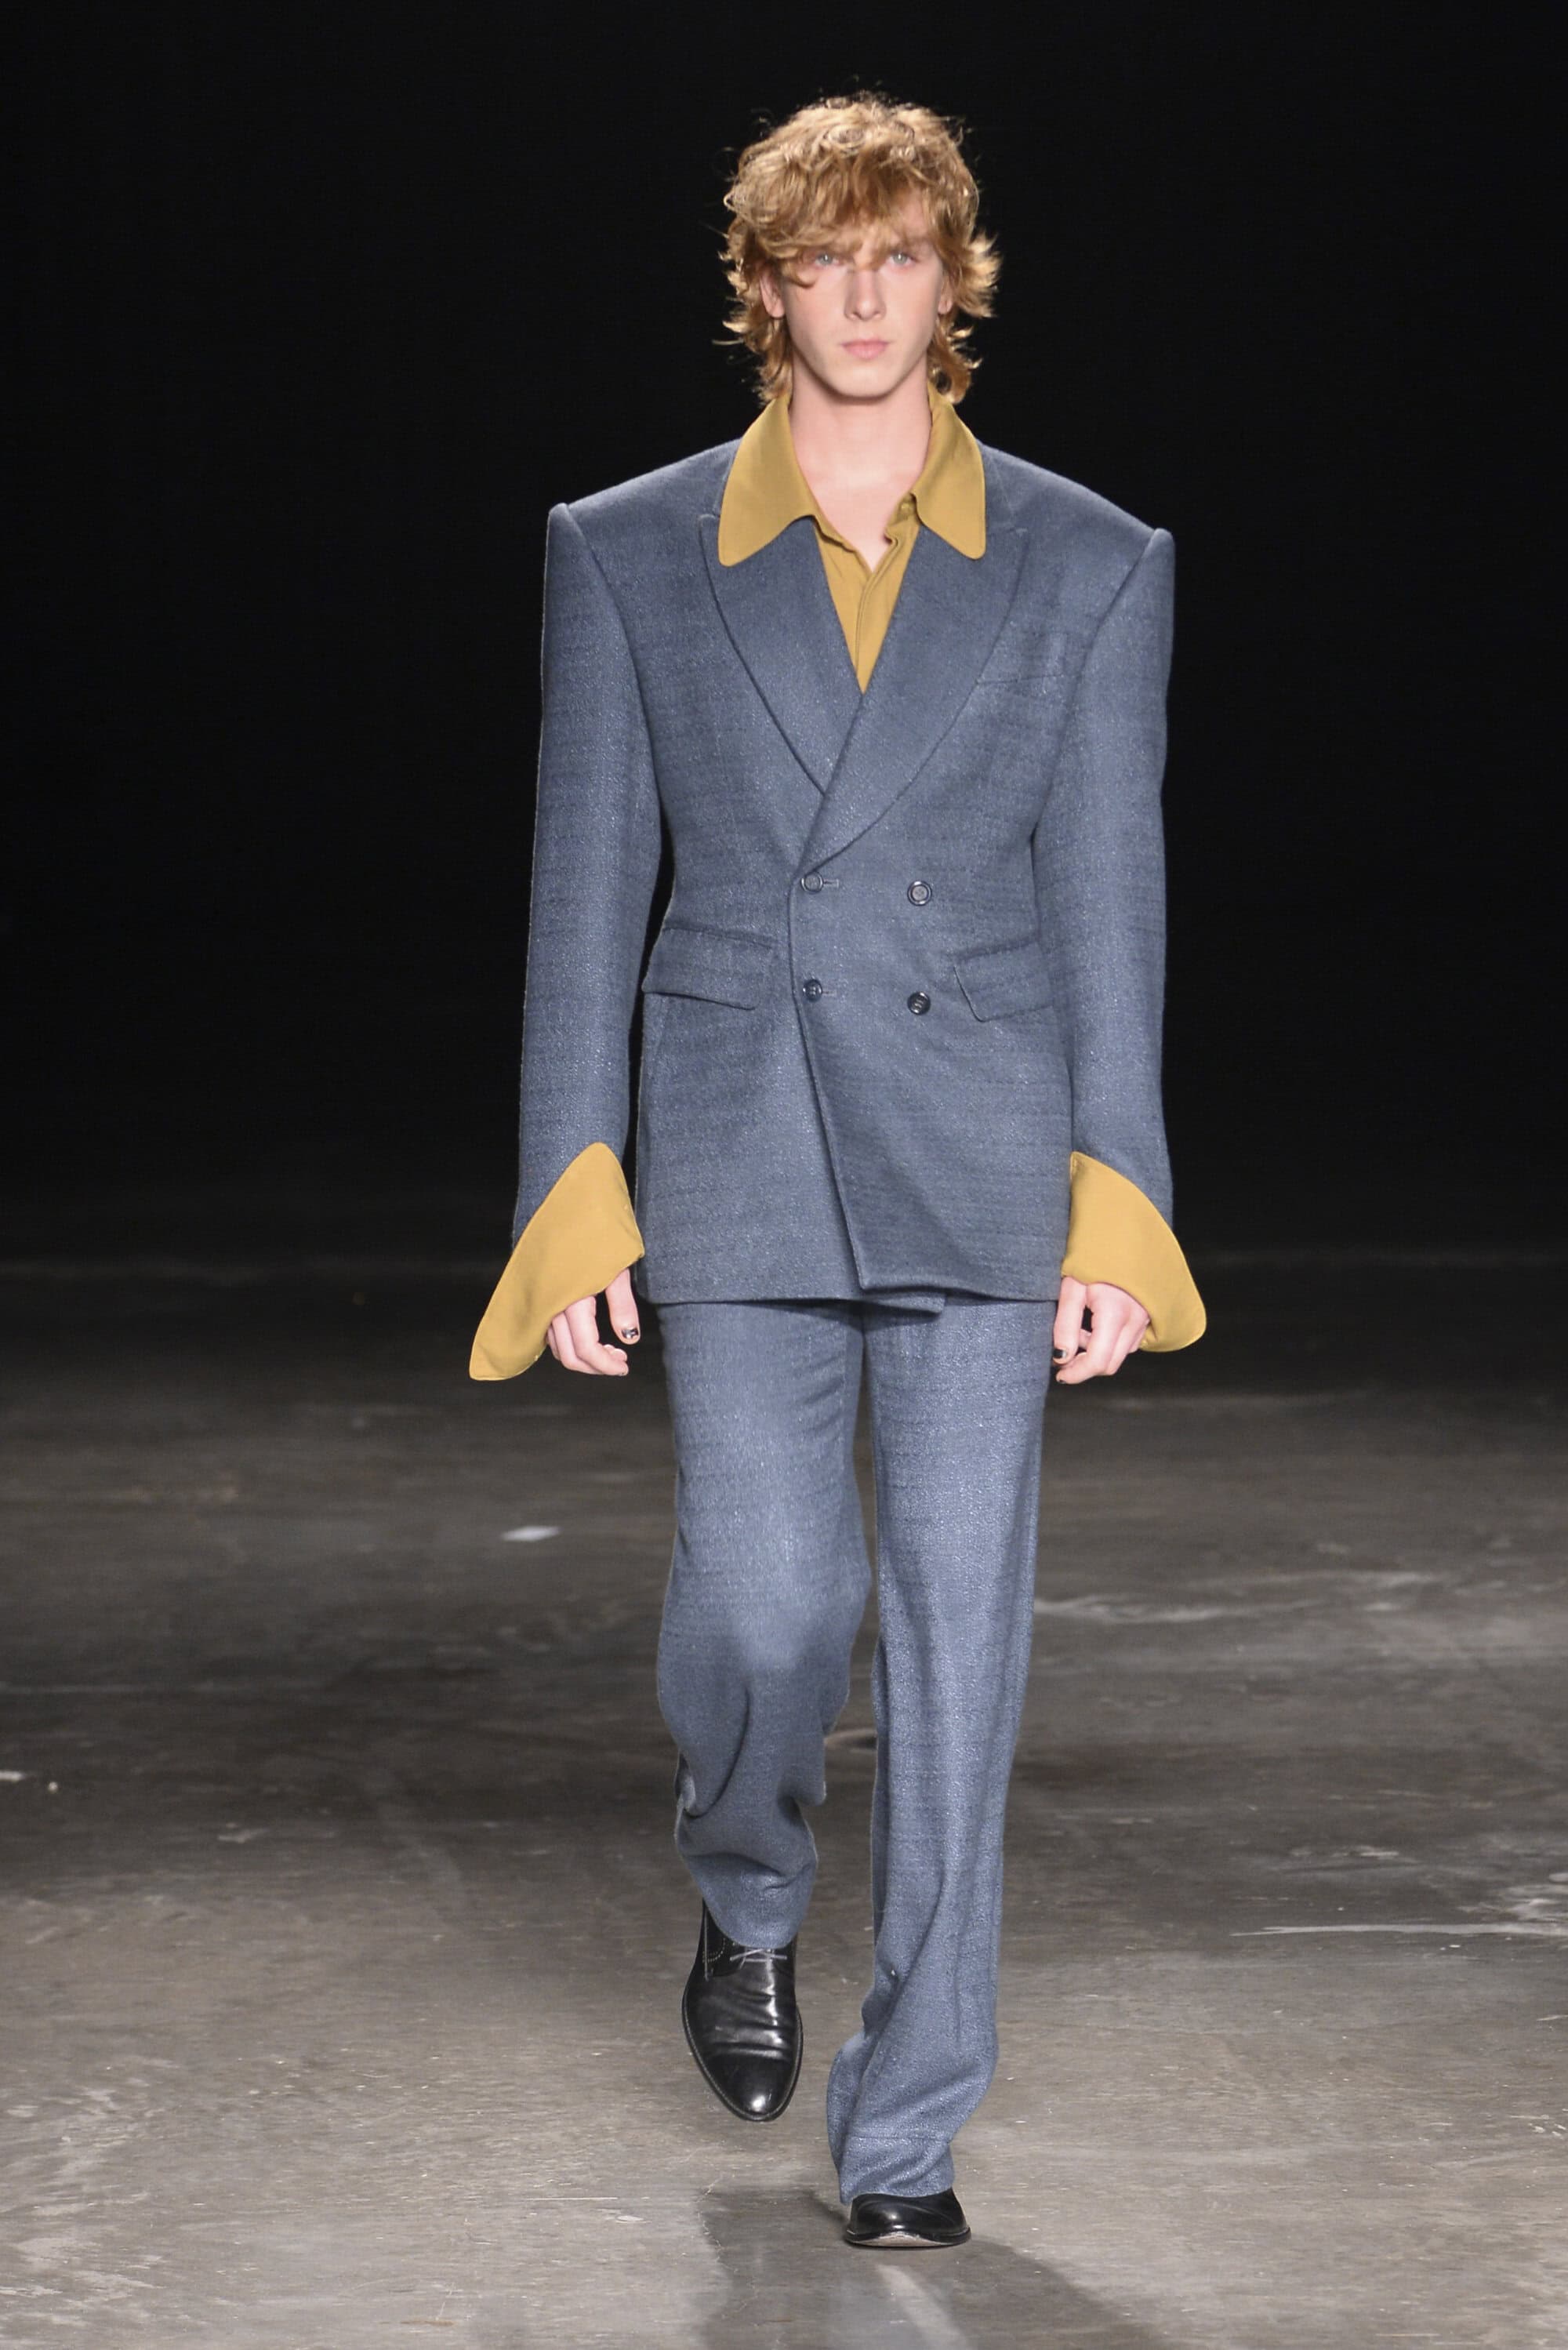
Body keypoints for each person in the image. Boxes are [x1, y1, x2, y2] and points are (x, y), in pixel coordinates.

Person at [470, 93, 1205, 2250]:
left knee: (965, 1655)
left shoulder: (1090, 560)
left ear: (954, 279)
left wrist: (1118, 1195)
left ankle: (906, 2129)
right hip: (737, 1140)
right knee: (772, 1603)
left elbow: (1111, 905)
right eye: (824, 260)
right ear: (765, 287)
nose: (864, 298)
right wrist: (571, 1194)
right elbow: (583, 896)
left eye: (900, 257)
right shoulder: (630, 548)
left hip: (984, 1158)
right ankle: (749, 1882)